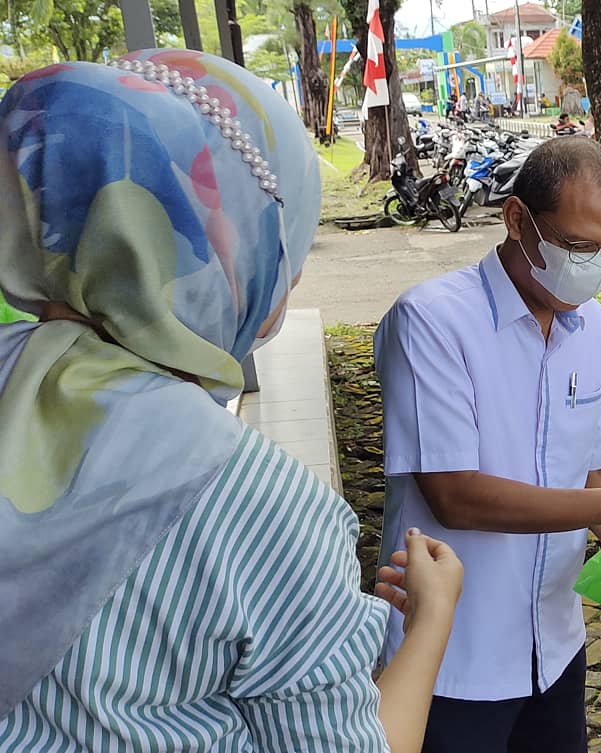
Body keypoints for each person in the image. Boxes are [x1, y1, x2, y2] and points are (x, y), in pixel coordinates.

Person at [0, 49, 466, 753]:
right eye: (286, 244)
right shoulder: (260, 505)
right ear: (227, 253)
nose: (296, 270)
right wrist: (430, 622)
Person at [373, 137, 601, 753]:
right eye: (578, 246)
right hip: (453, 657)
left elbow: (597, 477)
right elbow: (455, 496)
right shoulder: (433, 321)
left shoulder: (591, 327)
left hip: (553, 645)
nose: (594, 266)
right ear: (518, 219)